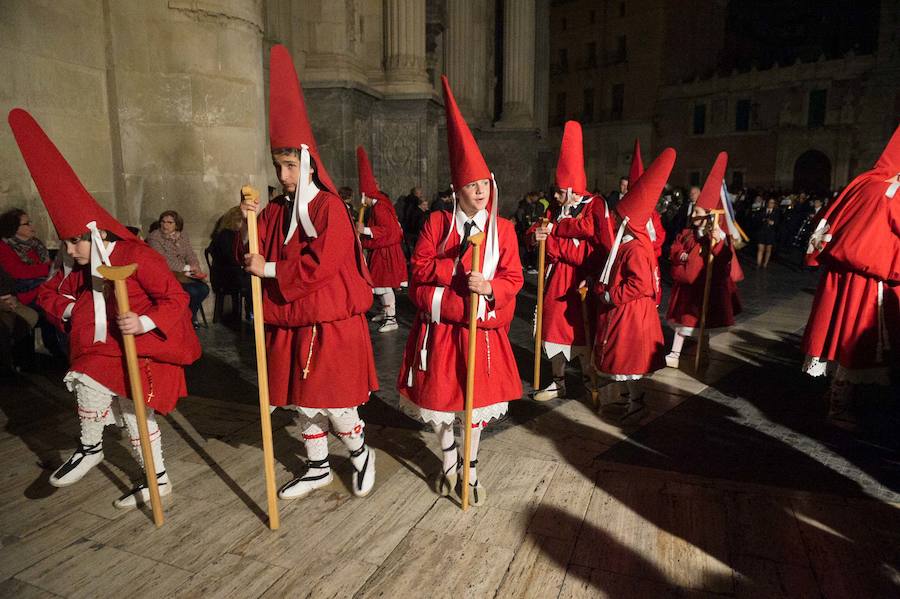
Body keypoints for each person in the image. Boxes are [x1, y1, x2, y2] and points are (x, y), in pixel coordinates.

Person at [9, 107, 201, 507]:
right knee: (107, 390)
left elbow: (176, 298)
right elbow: (52, 294)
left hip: (147, 346)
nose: (68, 251)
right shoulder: (79, 260)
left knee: (119, 401)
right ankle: (151, 476)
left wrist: (143, 320)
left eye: (74, 242)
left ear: (92, 234)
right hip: (107, 345)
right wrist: (72, 310)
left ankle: (95, 449)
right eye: (64, 243)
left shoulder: (138, 255)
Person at [238, 45, 378, 501]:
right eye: (278, 166)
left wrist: (270, 267)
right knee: (303, 402)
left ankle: (360, 454)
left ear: (308, 162)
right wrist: (248, 222)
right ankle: (317, 466)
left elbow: (321, 264)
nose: (282, 175)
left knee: (336, 403)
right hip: (291, 318)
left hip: (330, 320)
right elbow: (251, 254)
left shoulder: (329, 206)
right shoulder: (276, 208)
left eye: (290, 166)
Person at [397, 75, 523, 506]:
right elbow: (418, 272)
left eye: (485, 184)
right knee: (441, 407)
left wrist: (489, 285)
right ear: (458, 190)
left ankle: (469, 472)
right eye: (473, 186)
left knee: (475, 410)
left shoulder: (503, 229)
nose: (481, 192)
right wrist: (455, 269)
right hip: (440, 334)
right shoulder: (436, 223)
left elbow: (515, 278)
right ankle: (448, 463)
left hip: (481, 333)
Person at [802, 125, 900, 426]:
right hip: (867, 278)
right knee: (852, 341)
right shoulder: (892, 190)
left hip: (841, 275)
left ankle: (834, 392)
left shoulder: (862, 182)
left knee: (836, 333)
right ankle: (838, 402)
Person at [592, 148, 675, 419]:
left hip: (631, 311)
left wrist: (610, 296)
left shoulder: (636, 248)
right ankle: (628, 398)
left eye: (617, 217)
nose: (614, 220)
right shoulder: (627, 243)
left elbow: (639, 284)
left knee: (631, 361)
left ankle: (637, 403)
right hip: (625, 309)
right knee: (623, 360)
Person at [531, 121, 593, 402]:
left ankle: (593, 381)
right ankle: (557, 381)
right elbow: (536, 231)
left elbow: (584, 250)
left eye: (558, 191)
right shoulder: (557, 209)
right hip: (556, 282)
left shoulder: (591, 209)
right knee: (553, 331)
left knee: (582, 334)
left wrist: (553, 242)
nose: (554, 197)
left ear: (570, 189)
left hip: (579, 282)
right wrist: (537, 235)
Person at [665, 152, 743, 368]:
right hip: (687, 289)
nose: (694, 216)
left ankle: (704, 351)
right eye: (694, 212)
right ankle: (675, 353)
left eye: (698, 212)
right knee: (682, 324)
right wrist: (679, 254)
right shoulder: (688, 232)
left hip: (702, 288)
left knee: (703, 324)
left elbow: (724, 258)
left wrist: (717, 241)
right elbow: (675, 246)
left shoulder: (715, 236)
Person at [356, 145, 408, 332]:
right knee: (381, 285)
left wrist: (365, 230)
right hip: (383, 252)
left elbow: (388, 230)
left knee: (385, 286)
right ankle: (387, 314)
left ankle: (392, 319)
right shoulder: (379, 205)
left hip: (386, 253)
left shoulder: (379, 207)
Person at [0, 207, 63, 358]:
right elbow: (18, 272)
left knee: (57, 302)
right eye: (27, 224)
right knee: (50, 304)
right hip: (20, 292)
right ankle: (56, 350)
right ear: (14, 227)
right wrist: (48, 268)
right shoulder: (4, 247)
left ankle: (58, 351)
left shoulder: (36, 245)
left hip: (39, 289)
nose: (31, 227)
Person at [146, 210, 209, 325]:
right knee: (191, 291)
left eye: (170, 223)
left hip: (184, 273)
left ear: (177, 225)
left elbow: (190, 253)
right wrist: (187, 267)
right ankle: (186, 319)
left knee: (204, 289)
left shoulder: (182, 235)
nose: (165, 225)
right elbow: (163, 260)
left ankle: (189, 315)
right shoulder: (154, 237)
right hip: (167, 274)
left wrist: (195, 266)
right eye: (163, 222)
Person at [207, 206, 251, 320]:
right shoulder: (226, 235)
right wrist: (243, 266)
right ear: (236, 220)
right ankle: (251, 311)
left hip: (226, 273)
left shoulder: (229, 234)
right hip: (224, 276)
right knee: (253, 283)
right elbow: (229, 258)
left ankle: (250, 310)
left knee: (251, 278)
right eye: (243, 220)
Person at [0, 264, 38, 376]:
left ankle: (20, 363)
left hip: (5, 300)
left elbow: (7, 282)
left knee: (29, 315)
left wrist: (12, 297)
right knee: (5, 324)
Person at [755, 197, 779, 267]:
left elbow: (778, 223)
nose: (770, 204)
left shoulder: (777, 212)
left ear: (774, 204)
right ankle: (758, 263)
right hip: (762, 231)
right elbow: (757, 219)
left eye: (772, 203)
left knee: (768, 249)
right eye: (769, 202)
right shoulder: (762, 210)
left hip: (770, 232)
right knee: (760, 248)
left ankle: (765, 263)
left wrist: (773, 223)